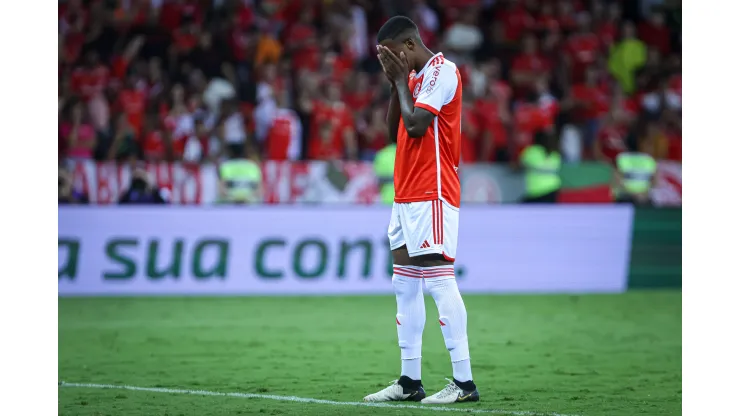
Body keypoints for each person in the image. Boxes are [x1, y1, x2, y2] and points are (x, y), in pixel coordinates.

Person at [363, 16, 479, 405]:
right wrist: (395, 83)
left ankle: (464, 383)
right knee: (404, 284)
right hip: (406, 194)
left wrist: (400, 81)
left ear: (410, 44)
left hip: (433, 190)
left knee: (439, 280)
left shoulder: (443, 71)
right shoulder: (411, 79)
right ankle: (409, 380)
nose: (392, 64)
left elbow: (416, 127)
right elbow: (391, 129)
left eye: (394, 56)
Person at [520, 130, 562, 203]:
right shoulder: (555, 153)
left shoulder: (532, 151)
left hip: (536, 191)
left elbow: (519, 165)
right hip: (553, 189)